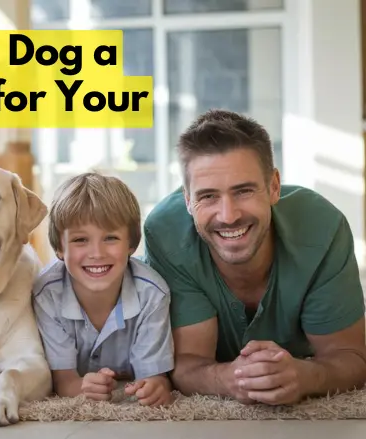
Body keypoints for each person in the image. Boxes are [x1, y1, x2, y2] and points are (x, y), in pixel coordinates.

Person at [143, 109, 366, 406]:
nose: (228, 215)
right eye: (208, 196)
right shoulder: (166, 234)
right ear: (187, 199)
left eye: (244, 191)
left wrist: (304, 376)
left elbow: (353, 358)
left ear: (274, 186)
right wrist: (230, 379)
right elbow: (186, 364)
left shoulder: (321, 227)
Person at [33, 172, 175, 407]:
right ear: (60, 248)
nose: (97, 253)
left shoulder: (152, 293)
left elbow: (156, 377)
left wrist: (155, 387)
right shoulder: (46, 294)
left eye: (110, 238)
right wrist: (80, 387)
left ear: (131, 243)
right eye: (80, 240)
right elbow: (64, 382)